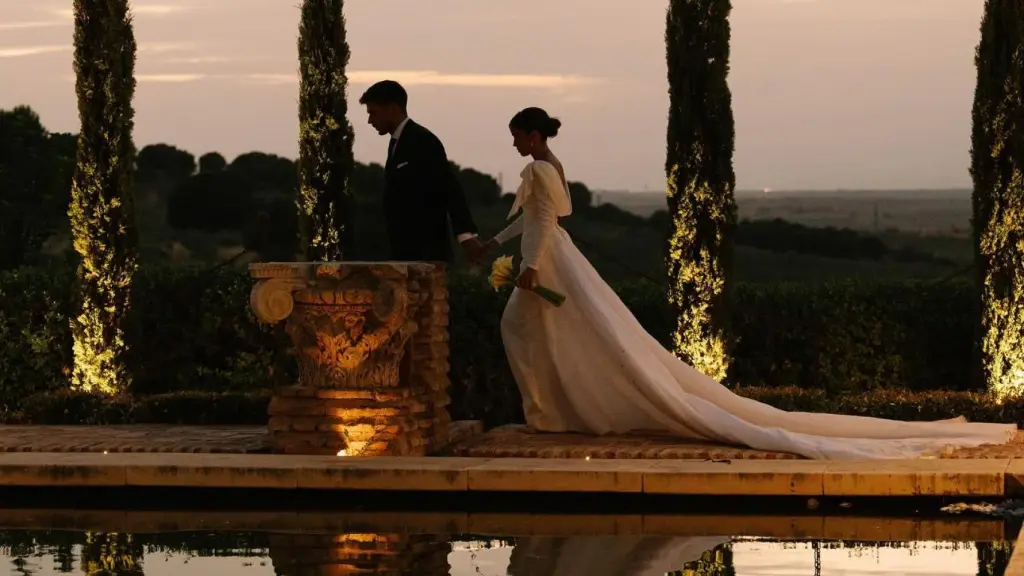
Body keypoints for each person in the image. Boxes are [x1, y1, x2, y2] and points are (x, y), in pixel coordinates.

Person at [481, 106, 1017, 460]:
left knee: (529, 330)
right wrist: (494, 245)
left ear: (531, 133)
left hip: (547, 261)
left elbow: (545, 222)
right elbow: (533, 219)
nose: (512, 143)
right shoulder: (549, 164)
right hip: (551, 259)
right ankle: (554, 411)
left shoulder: (537, 170)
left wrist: (528, 265)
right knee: (548, 334)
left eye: (515, 135)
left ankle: (553, 412)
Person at [359, 80, 486, 263]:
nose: (370, 120)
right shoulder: (397, 143)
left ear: (392, 109)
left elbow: (449, 188)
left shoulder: (422, 141)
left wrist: (465, 235)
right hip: (405, 253)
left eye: (373, 113)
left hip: (426, 255)